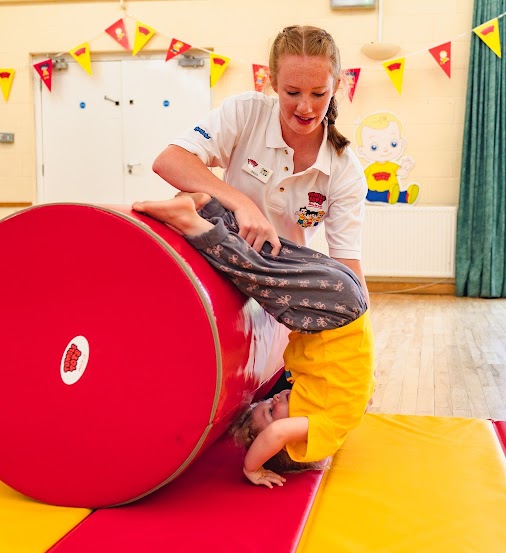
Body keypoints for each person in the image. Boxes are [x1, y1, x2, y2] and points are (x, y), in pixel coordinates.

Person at [133, 194, 375, 489]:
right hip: (330, 314)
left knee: (271, 254)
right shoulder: (323, 431)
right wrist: (253, 468)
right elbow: (274, 436)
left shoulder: (344, 409)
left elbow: (366, 389)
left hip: (348, 295)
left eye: (267, 405)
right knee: (252, 273)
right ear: (295, 443)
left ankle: (211, 210)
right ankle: (191, 221)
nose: (273, 400)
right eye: (272, 412)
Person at [151, 25, 370, 301]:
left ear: (336, 86)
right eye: (292, 93)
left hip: (279, 271)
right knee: (219, 212)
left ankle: (193, 218)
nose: (305, 107)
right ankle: (194, 218)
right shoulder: (246, 113)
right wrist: (243, 205)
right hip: (225, 257)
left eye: (318, 94)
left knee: (344, 287)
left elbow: (348, 263)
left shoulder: (344, 170)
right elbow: (169, 161)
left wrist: (359, 325)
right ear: (274, 83)